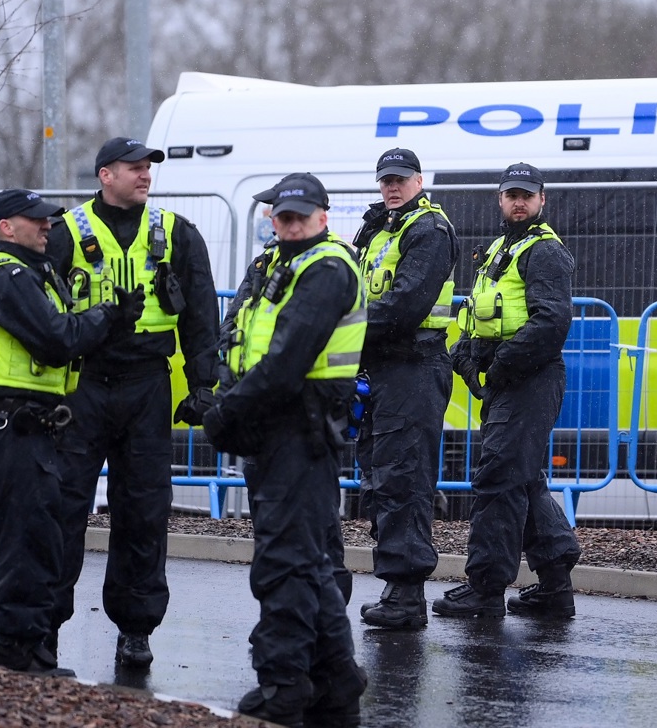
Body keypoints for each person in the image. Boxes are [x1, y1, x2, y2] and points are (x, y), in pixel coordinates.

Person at [46, 137, 221, 669]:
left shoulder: (176, 233)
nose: (145, 175)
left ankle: (136, 628)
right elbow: (43, 309)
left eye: (148, 168)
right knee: (63, 506)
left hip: (147, 384)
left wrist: (203, 383)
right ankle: (45, 623)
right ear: (105, 175)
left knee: (144, 510)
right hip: (84, 383)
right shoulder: (67, 232)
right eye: (134, 167)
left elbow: (200, 314)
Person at [202, 174, 369, 727]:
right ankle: (336, 679)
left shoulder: (326, 268)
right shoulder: (275, 265)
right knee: (307, 562)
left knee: (284, 564)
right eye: (282, 216)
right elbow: (239, 342)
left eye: (300, 215)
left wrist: (228, 412)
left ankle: (285, 682)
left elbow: (287, 358)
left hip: (299, 429)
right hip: (276, 431)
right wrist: (221, 396)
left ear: (323, 217)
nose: (290, 223)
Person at [0, 189, 140, 676]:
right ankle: (17, 654)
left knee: (17, 534)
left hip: (27, 419)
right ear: (6, 227)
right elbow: (58, 339)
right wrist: (108, 316)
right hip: (12, 419)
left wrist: (107, 320)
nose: (47, 227)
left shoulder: (34, 275)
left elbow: (64, 334)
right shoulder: (10, 277)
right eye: (36, 220)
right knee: (31, 536)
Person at [434, 162, 581, 620]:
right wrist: (462, 353)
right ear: (500, 199)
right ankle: (555, 584)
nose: (519, 202)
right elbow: (478, 314)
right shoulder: (500, 249)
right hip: (511, 379)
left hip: (530, 379)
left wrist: (498, 366)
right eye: (511, 194)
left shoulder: (544, 252)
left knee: (498, 480)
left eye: (527, 195)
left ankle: (486, 587)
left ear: (542, 201)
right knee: (520, 477)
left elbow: (550, 322)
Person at [352, 148, 459, 630]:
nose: (392, 187)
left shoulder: (429, 230)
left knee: (405, 479)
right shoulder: (379, 229)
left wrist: (344, 327)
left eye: (400, 179)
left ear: (419, 180)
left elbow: (405, 304)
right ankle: (398, 585)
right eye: (385, 180)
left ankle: (407, 593)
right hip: (384, 368)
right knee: (380, 474)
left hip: (414, 366)